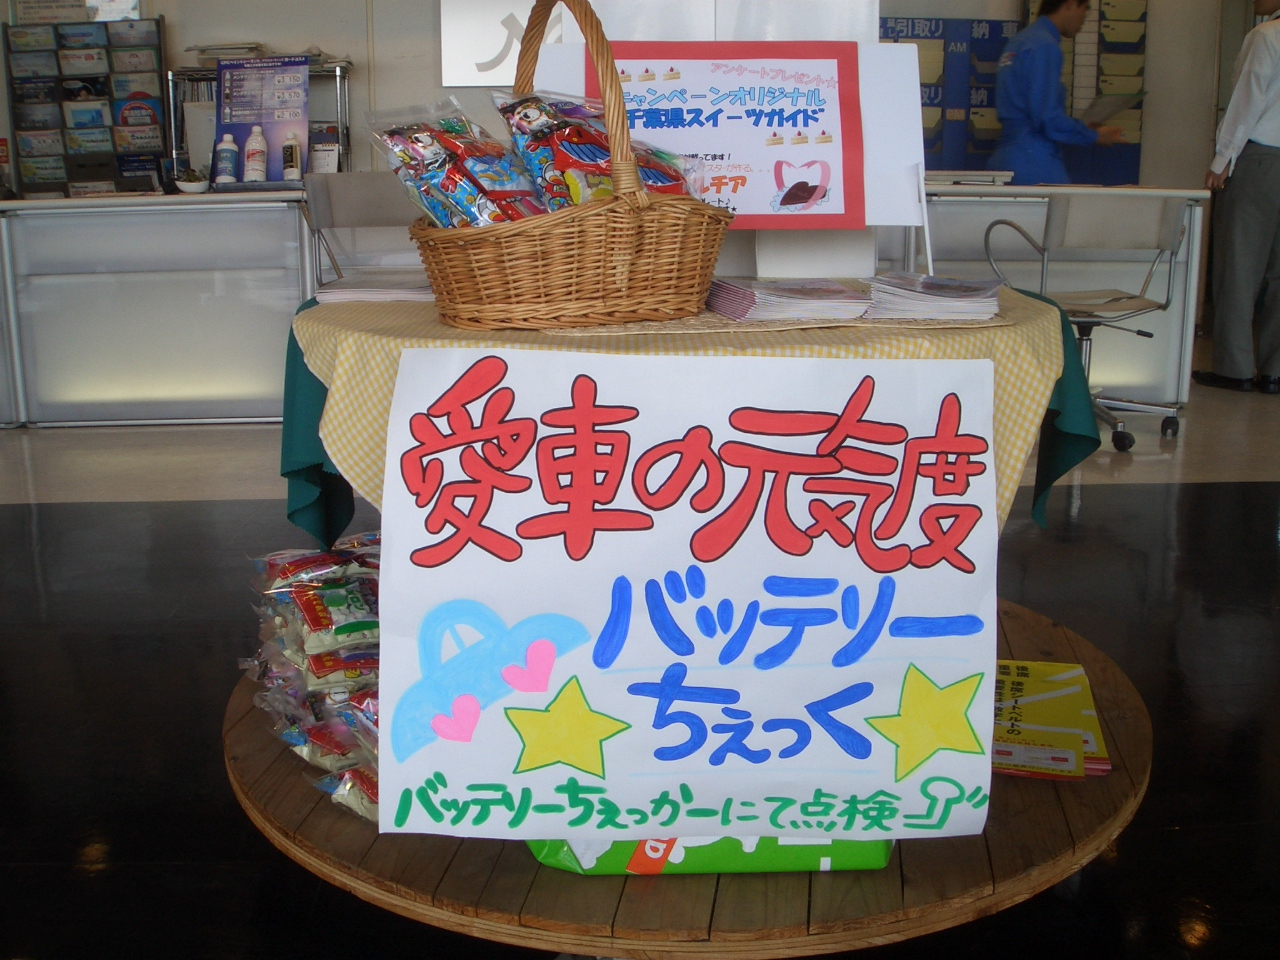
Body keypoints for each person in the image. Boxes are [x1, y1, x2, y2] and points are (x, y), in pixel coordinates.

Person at [1198, 0, 1280, 394]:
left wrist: (1222, 158)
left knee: (1239, 264)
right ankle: (1275, 370)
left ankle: (1236, 368)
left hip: (1260, 159)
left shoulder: (1266, 35)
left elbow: (1248, 100)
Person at [989, 0, 1124, 185]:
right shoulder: (1045, 46)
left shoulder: (1018, 42)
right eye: (1084, 9)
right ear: (1069, 4)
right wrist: (1094, 136)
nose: (1084, 18)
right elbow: (1048, 119)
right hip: (1035, 161)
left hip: (1005, 159)